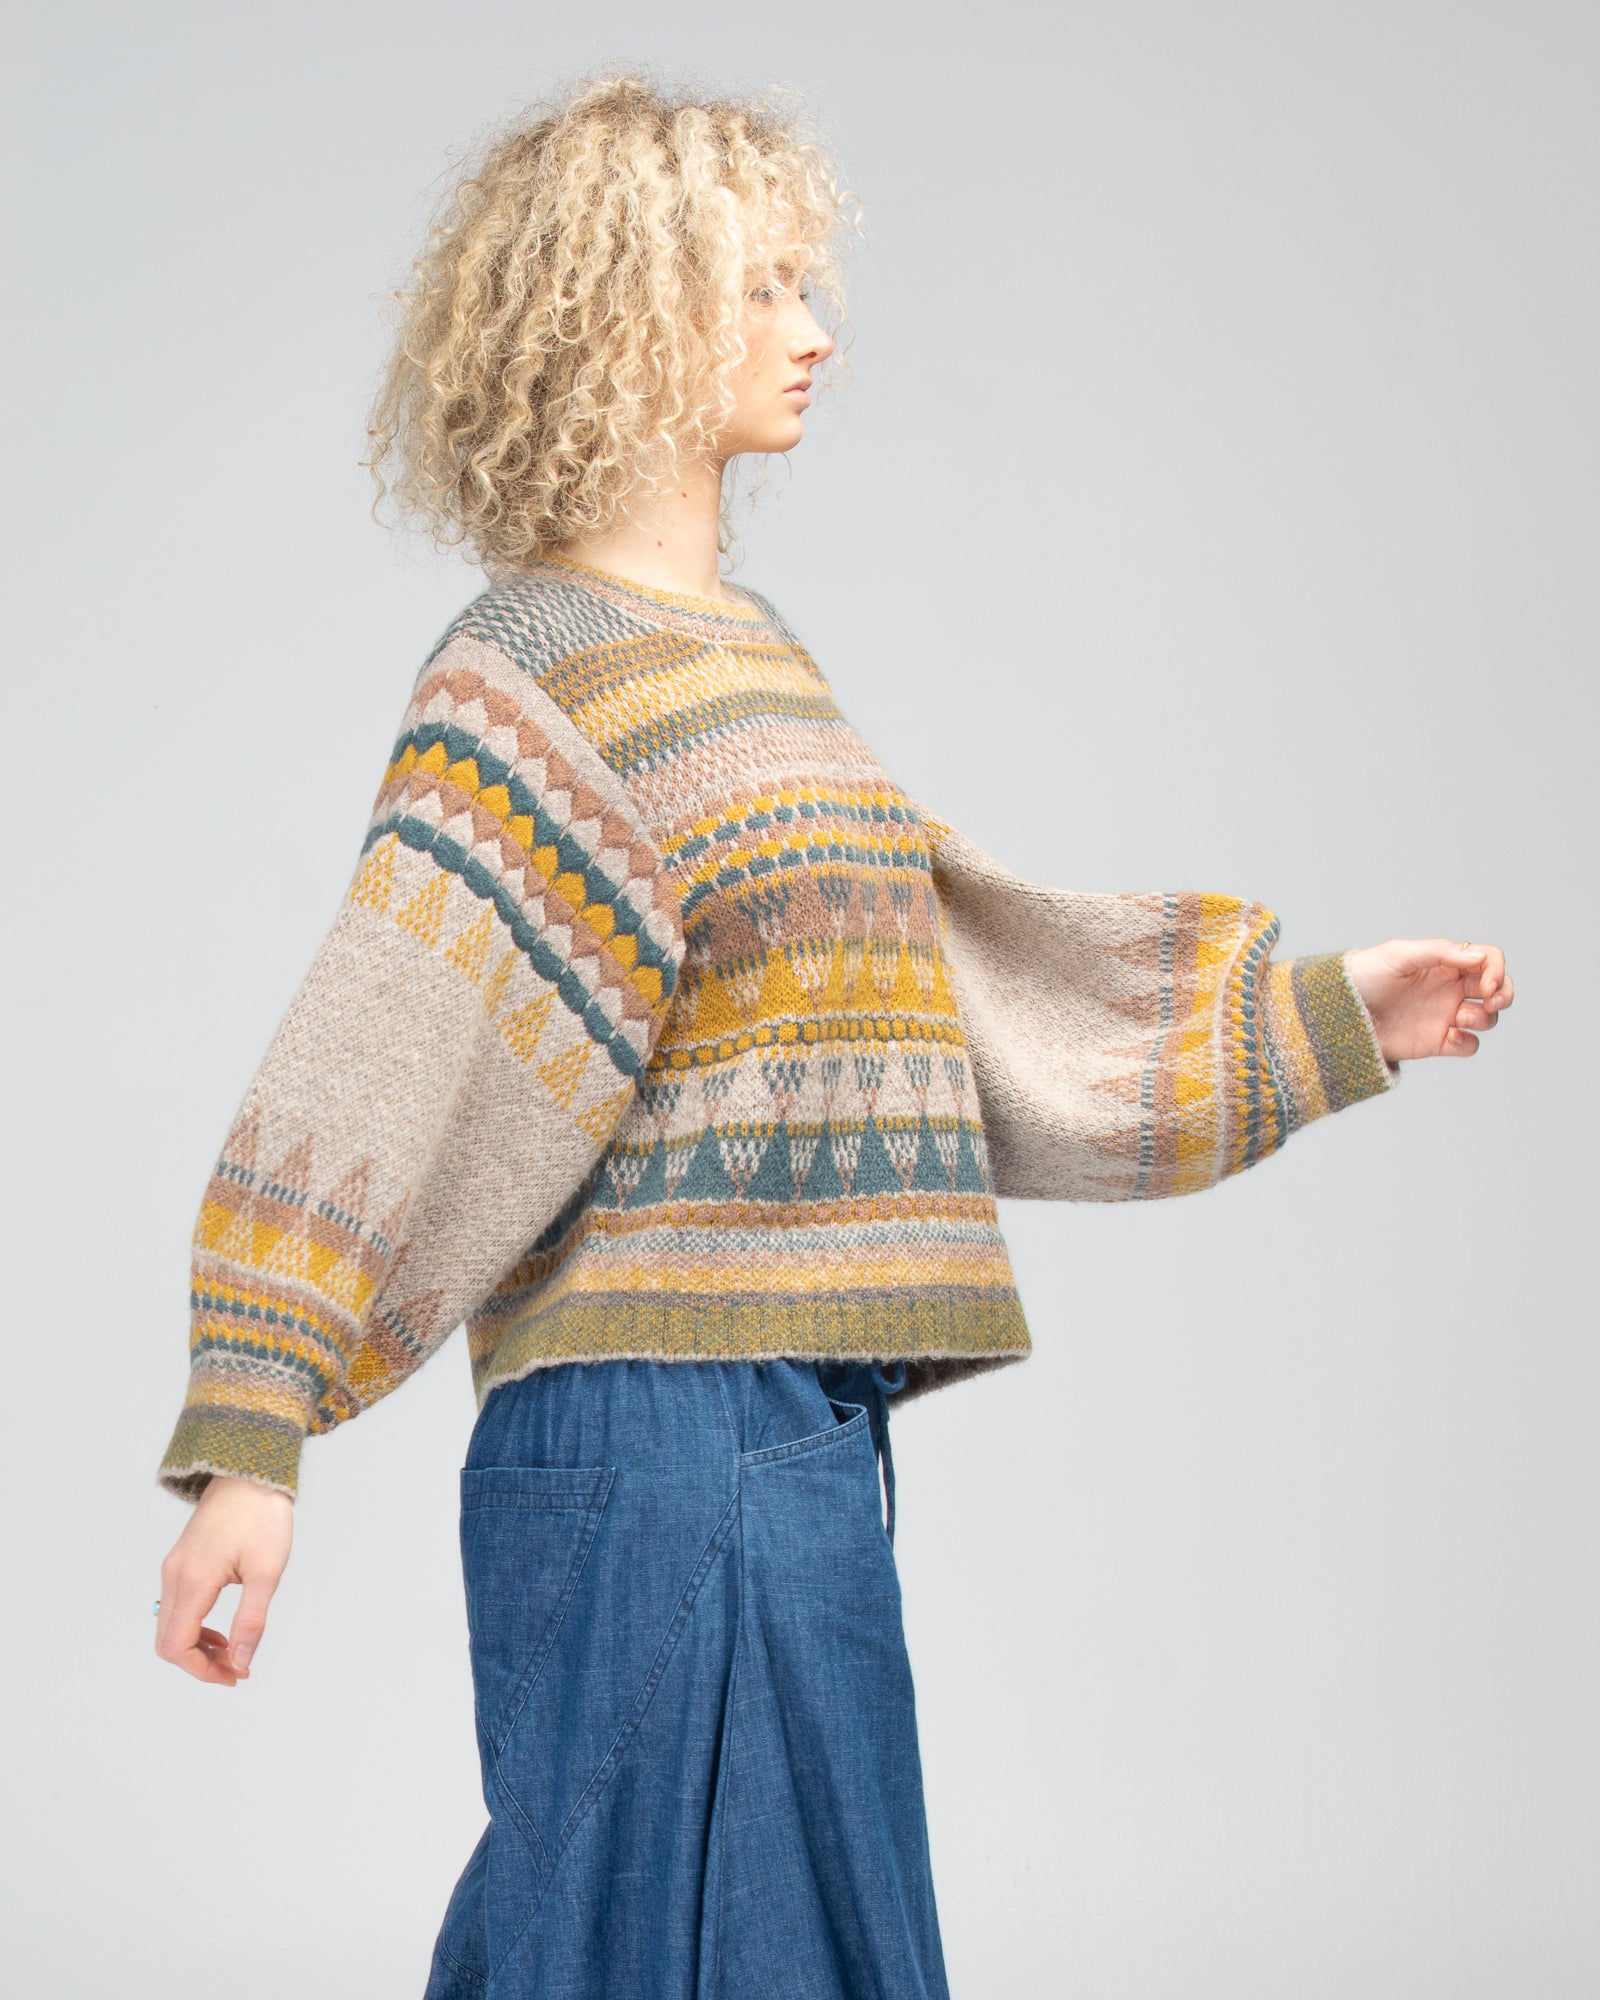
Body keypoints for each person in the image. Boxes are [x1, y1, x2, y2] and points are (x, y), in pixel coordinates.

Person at [150, 69, 1515, 2000]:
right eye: (760, 285)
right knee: (620, 1953)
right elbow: (382, 1049)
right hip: (649, 1441)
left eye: (807, 281)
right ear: (629, 318)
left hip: (789, 1434)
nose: (812, 327)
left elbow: (935, 1000)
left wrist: (1317, 1017)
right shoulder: (537, 676)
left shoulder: (756, 660)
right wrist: (253, 1434)